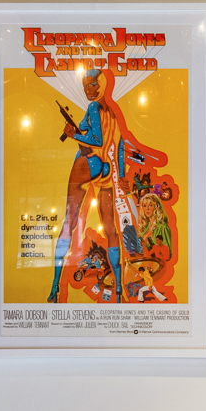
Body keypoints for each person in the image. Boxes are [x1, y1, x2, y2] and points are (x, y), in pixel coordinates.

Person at [47, 53, 171, 303]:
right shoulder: (111, 114)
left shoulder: (94, 107)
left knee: (69, 222)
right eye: (85, 87)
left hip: (87, 164)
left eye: (93, 85)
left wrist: (73, 136)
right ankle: (117, 293)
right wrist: (121, 174)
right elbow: (119, 143)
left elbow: (96, 140)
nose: (89, 91)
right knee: (111, 228)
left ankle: (54, 287)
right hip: (106, 170)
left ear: (101, 83)